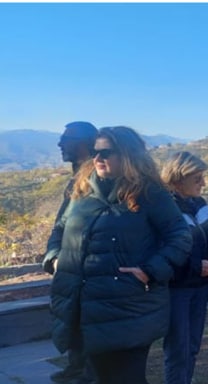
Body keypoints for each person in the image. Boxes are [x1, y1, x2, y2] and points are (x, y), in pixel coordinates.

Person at [46, 126, 192, 384]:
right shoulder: (80, 189)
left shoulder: (150, 193)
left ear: (128, 155)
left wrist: (150, 270)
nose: (97, 158)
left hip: (128, 308)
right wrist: (55, 259)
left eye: (106, 152)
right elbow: (59, 229)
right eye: (95, 151)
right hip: (82, 307)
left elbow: (179, 236)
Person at [160, 151, 208, 384]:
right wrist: (197, 266)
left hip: (200, 286)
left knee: (193, 345)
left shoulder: (200, 204)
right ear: (178, 179)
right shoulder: (163, 208)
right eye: (197, 179)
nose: (203, 184)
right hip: (176, 289)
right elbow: (164, 250)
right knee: (178, 348)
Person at [42, 121, 98, 384]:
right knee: (70, 317)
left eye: (66, 138)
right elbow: (60, 225)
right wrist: (53, 256)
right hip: (68, 265)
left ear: (86, 142)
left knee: (88, 320)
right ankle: (77, 367)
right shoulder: (74, 180)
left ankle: (89, 372)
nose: (60, 144)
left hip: (90, 267)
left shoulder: (98, 178)